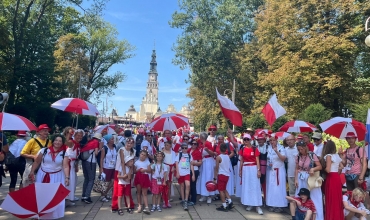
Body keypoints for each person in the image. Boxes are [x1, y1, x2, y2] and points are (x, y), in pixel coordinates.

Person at [28, 134, 70, 219]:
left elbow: (65, 166)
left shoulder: (64, 153)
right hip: (42, 175)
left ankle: (53, 215)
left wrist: (67, 177)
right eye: (56, 140)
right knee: (41, 195)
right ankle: (40, 213)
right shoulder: (44, 150)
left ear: (62, 143)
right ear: (53, 141)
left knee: (55, 196)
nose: (57, 142)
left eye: (60, 141)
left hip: (57, 176)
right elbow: (36, 162)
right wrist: (32, 171)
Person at [295, 141, 323, 220]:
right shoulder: (298, 156)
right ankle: (302, 216)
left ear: (305, 148)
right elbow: (297, 168)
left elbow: (320, 166)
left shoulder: (312, 155)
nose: (300, 151)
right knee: (301, 197)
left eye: (301, 149)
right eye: (298, 149)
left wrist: (313, 169)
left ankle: (317, 217)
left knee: (314, 197)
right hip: (301, 177)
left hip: (311, 178)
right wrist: (296, 179)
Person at [239, 133, 263, 215]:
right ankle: (250, 204)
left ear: (250, 140)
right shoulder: (242, 149)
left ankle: (258, 206)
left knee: (255, 186)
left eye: (247, 139)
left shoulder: (255, 149)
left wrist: (259, 170)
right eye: (244, 139)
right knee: (248, 186)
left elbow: (257, 160)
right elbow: (241, 160)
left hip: (253, 168)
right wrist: (240, 170)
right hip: (246, 169)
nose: (245, 141)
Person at [320, 140, 344, 220]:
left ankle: (331, 217)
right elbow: (341, 167)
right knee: (337, 198)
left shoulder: (328, 156)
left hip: (331, 177)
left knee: (330, 198)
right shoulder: (337, 156)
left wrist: (322, 168)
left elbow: (328, 170)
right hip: (337, 177)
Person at [111, 137, 136, 212]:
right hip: (120, 170)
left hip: (129, 170)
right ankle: (115, 206)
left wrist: (129, 173)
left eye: (131, 143)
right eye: (128, 143)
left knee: (127, 190)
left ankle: (129, 205)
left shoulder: (133, 151)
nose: (129, 144)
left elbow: (132, 163)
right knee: (117, 190)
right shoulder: (122, 150)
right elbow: (122, 162)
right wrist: (124, 174)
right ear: (126, 143)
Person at [266, 134, 287, 212]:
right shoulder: (268, 148)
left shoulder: (281, 147)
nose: (272, 142)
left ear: (277, 140)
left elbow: (283, 159)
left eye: (273, 140)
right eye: (270, 140)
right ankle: (272, 204)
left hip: (279, 171)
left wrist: (276, 151)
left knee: (278, 188)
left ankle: (280, 205)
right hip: (270, 170)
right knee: (271, 188)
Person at [81, 133, 102, 204]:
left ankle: (84, 195)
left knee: (86, 179)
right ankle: (87, 196)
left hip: (84, 161)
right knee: (91, 179)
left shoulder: (90, 142)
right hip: (91, 162)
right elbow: (96, 153)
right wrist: (100, 149)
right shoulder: (96, 143)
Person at [63, 127, 83, 205]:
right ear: (74, 135)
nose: (80, 137)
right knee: (69, 182)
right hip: (68, 165)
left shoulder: (77, 144)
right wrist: (69, 133)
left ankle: (71, 197)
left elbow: (77, 157)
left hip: (73, 165)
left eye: (81, 136)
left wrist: (77, 165)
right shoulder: (72, 142)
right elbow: (65, 142)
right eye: (78, 135)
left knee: (73, 182)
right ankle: (67, 199)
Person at [214, 143, 234, 212]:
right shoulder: (227, 156)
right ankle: (230, 201)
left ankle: (224, 205)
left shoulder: (218, 157)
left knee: (221, 190)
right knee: (224, 189)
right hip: (227, 175)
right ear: (226, 149)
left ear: (219, 149)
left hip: (221, 175)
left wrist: (215, 178)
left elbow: (217, 168)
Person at [176, 143, 195, 211]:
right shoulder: (179, 154)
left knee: (188, 185)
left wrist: (193, 174)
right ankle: (183, 200)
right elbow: (176, 164)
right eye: (183, 148)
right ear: (181, 148)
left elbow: (191, 165)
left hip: (187, 173)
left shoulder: (189, 155)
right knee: (182, 186)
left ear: (187, 148)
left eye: (185, 148)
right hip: (181, 173)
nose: (184, 149)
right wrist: (177, 173)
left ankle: (186, 200)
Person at [198, 132, 216, 204]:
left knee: (208, 177)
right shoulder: (201, 144)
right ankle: (204, 195)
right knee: (203, 178)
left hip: (209, 162)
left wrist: (207, 150)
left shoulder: (208, 143)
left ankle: (209, 196)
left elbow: (212, 154)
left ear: (202, 138)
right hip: (204, 162)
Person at [99, 134, 117, 202]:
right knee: (105, 182)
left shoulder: (115, 147)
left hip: (113, 167)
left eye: (113, 139)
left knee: (112, 182)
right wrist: (101, 168)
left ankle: (105, 193)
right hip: (106, 167)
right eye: (111, 139)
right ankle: (103, 195)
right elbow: (101, 159)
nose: (113, 140)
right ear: (108, 140)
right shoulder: (105, 148)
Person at [134, 150, 151, 214]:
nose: (143, 156)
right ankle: (139, 205)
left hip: (145, 177)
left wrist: (145, 169)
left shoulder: (147, 162)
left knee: (144, 192)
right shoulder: (136, 162)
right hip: (138, 177)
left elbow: (149, 170)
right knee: (138, 192)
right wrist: (138, 170)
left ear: (146, 156)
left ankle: (146, 206)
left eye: (144, 155)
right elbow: (134, 171)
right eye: (142, 154)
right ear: (139, 154)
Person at [162, 138, 176, 208]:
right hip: (165, 169)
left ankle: (168, 200)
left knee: (169, 185)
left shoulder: (173, 153)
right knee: (164, 184)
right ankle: (164, 200)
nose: (166, 146)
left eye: (167, 145)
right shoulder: (163, 152)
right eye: (165, 145)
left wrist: (173, 167)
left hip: (171, 169)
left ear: (170, 146)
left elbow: (174, 161)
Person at [188, 137, 202, 206]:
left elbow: (200, 162)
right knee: (188, 185)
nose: (193, 145)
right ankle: (188, 198)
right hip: (187, 170)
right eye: (192, 144)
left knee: (193, 186)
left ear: (197, 145)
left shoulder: (198, 152)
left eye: (195, 144)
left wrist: (194, 163)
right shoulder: (188, 150)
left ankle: (193, 200)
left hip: (195, 170)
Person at [256, 133, 268, 203]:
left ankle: (265, 199)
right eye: (258, 140)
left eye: (261, 140)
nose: (259, 141)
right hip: (258, 167)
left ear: (264, 140)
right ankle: (258, 198)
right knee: (257, 183)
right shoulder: (256, 147)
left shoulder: (268, 147)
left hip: (266, 168)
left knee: (264, 184)